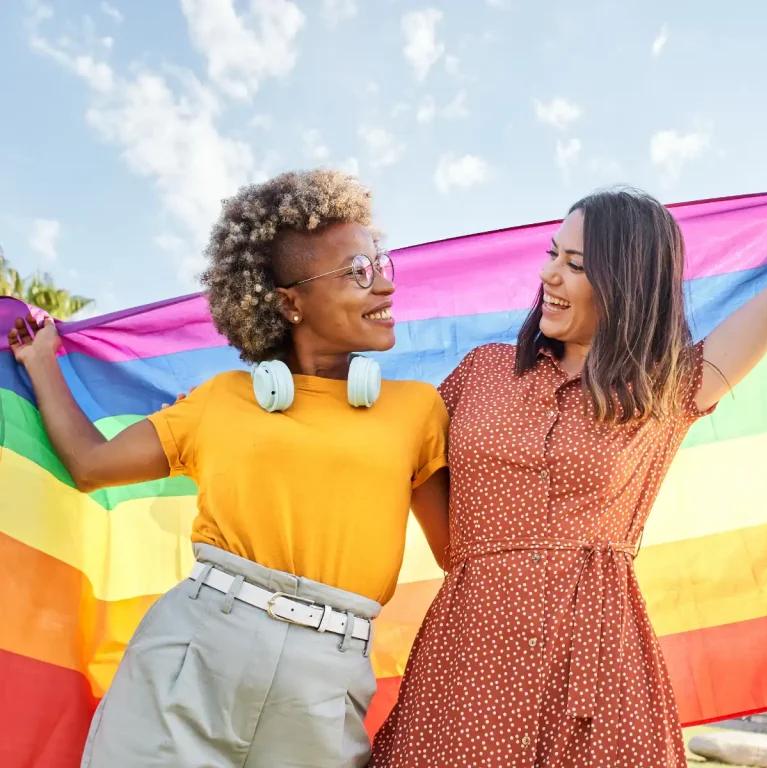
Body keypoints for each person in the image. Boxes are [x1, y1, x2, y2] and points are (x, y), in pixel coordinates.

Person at [370, 169, 767, 767]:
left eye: (575, 263)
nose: (548, 274)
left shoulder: (670, 390)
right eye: (552, 254)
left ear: (626, 282)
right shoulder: (482, 372)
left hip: (598, 664)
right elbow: (409, 469)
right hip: (470, 655)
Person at [7, 169, 451, 768]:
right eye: (357, 273)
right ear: (291, 302)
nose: (386, 289)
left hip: (325, 685)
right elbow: (90, 464)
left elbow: (458, 551)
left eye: (381, 264)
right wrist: (41, 363)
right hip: (193, 651)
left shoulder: (418, 410)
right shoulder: (221, 398)